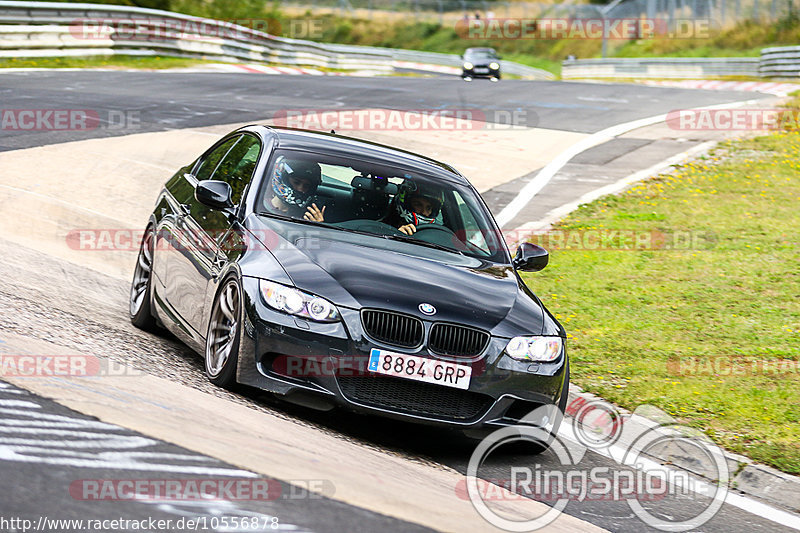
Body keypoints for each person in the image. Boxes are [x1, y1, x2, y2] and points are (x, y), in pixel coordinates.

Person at [267, 156, 326, 222]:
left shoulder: (309, 215)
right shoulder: (260, 206)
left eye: (306, 185)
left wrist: (317, 226)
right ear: (282, 180)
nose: (301, 189)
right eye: (296, 182)